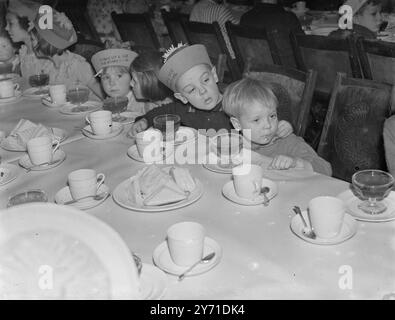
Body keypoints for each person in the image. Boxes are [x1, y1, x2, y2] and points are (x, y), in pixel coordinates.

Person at [129, 43, 293, 138]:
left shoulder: (236, 99)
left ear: (214, 75)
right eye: (191, 89)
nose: (202, 91)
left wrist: (282, 122)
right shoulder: (184, 108)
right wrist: (144, 120)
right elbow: (162, 112)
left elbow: (276, 95)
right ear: (182, 97)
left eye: (205, 80)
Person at [222, 77, 332, 175]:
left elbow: (326, 169)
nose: (268, 125)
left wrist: (295, 162)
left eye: (272, 116)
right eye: (256, 120)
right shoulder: (234, 146)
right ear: (237, 124)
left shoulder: (288, 141)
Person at [26, 6, 102, 97]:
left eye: (32, 39)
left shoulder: (77, 65)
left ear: (46, 42)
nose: (31, 44)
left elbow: (100, 92)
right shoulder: (48, 66)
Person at [91, 48, 146, 113]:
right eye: (106, 77)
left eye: (119, 76)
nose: (111, 83)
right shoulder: (107, 102)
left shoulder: (143, 106)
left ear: (132, 77)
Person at [129, 49, 174, 114]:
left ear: (151, 83)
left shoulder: (169, 111)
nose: (131, 84)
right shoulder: (151, 105)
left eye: (135, 81)